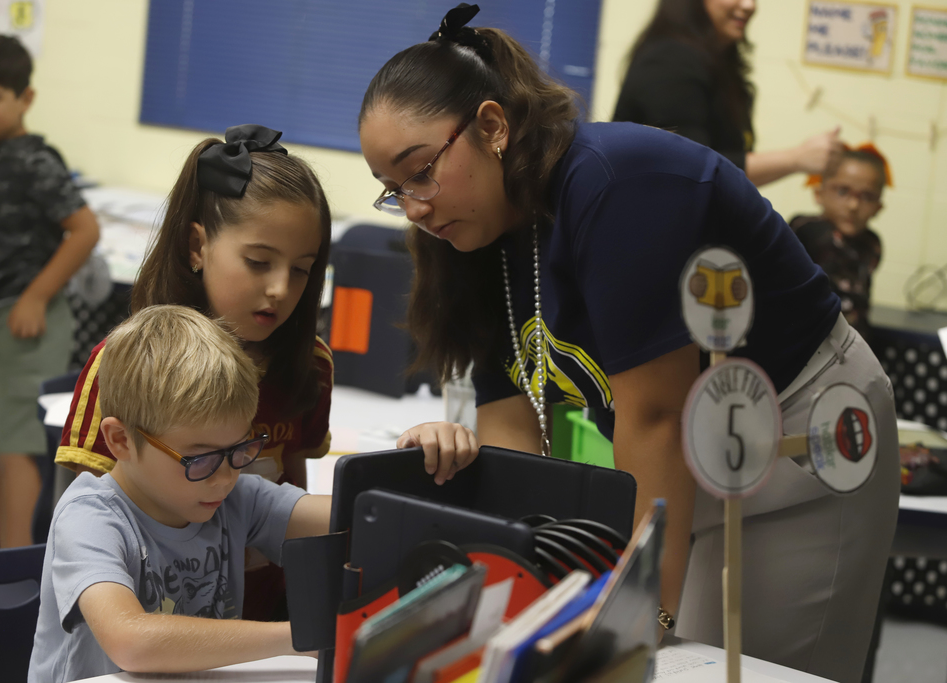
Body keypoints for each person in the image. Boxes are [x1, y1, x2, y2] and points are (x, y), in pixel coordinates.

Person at [357, 6, 898, 682]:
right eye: (394, 190)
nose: (414, 206)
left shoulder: (612, 186)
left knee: (730, 667)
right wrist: (534, 582)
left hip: (800, 438)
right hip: (691, 459)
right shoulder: (472, 241)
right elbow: (510, 436)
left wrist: (644, 615)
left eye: (422, 172)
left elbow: (654, 416)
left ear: (492, 127)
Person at [54, 124, 477, 620]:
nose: (280, 288)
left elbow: (294, 504)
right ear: (197, 247)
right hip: (150, 626)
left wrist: (420, 461)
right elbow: (85, 526)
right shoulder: (124, 364)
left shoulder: (308, 363)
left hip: (255, 619)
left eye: (301, 269)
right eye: (258, 262)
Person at [27, 305, 333, 682]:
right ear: (121, 440)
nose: (224, 477)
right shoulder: (90, 517)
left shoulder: (233, 497)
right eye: (199, 459)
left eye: (239, 450)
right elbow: (132, 641)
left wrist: (420, 469)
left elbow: (352, 516)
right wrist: (297, 636)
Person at [0, 34, 101, 547]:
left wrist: (35, 296)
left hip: (27, 323)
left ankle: (14, 560)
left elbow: (84, 230)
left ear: (24, 99)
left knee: (14, 446)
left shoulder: (35, 161)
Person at [613, 0, 844, 187]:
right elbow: (692, 167)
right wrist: (796, 159)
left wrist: (797, 161)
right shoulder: (668, 61)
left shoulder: (719, 67)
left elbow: (730, 176)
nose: (750, 5)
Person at [791, 145, 890, 342]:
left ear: (879, 207)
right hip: (808, 343)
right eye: (843, 191)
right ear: (819, 194)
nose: (853, 206)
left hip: (855, 346)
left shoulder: (872, 244)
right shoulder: (806, 231)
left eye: (867, 196)